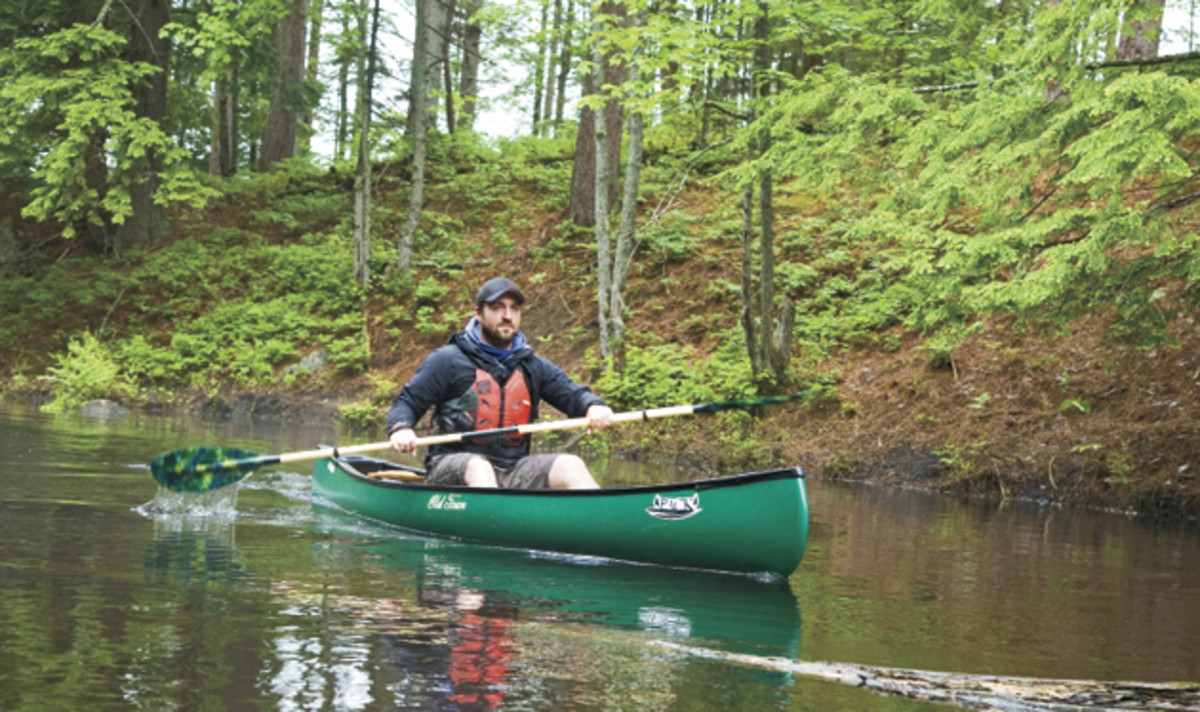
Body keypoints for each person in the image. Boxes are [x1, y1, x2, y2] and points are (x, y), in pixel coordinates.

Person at [387, 276, 613, 489]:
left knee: (570, 465)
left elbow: (573, 394)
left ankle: (602, 514)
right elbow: (407, 402)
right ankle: (493, 517)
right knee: (479, 467)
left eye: (514, 308)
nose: (507, 316)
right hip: (452, 465)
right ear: (478, 313)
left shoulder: (532, 366)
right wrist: (401, 428)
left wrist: (593, 405)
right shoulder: (447, 360)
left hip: (513, 468)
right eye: (497, 308)